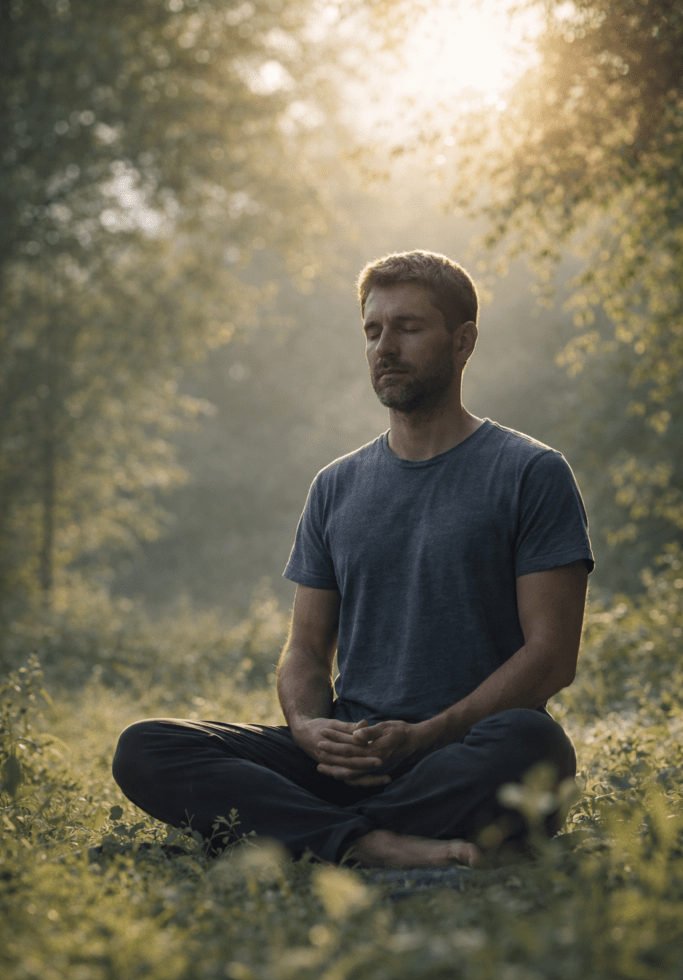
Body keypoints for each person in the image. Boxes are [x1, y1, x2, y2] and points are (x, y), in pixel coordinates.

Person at [112, 250, 594, 869]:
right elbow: (307, 650)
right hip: (346, 758)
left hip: (460, 753)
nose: (384, 347)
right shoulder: (335, 486)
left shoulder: (531, 472)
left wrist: (425, 736)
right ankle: (371, 844)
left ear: (463, 341)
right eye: (372, 330)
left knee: (533, 742)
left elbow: (552, 657)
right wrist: (311, 729)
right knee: (147, 747)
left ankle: (294, 834)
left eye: (408, 327)